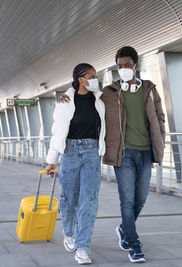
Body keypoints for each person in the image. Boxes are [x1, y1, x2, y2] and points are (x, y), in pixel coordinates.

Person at [59, 46, 165, 263]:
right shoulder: (109, 92)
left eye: (127, 65)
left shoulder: (150, 89)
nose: (123, 69)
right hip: (122, 153)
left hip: (146, 151)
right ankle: (133, 244)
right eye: (119, 66)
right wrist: (66, 95)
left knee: (141, 198)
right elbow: (85, 95)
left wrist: (160, 141)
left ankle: (125, 228)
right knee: (126, 201)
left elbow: (160, 118)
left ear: (136, 65)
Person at [45, 63, 106, 265]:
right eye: (91, 76)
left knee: (89, 198)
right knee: (68, 197)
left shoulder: (99, 99)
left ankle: (82, 247)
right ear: (81, 78)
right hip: (69, 151)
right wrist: (51, 161)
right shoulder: (64, 101)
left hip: (92, 151)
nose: (95, 79)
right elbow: (57, 132)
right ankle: (69, 233)